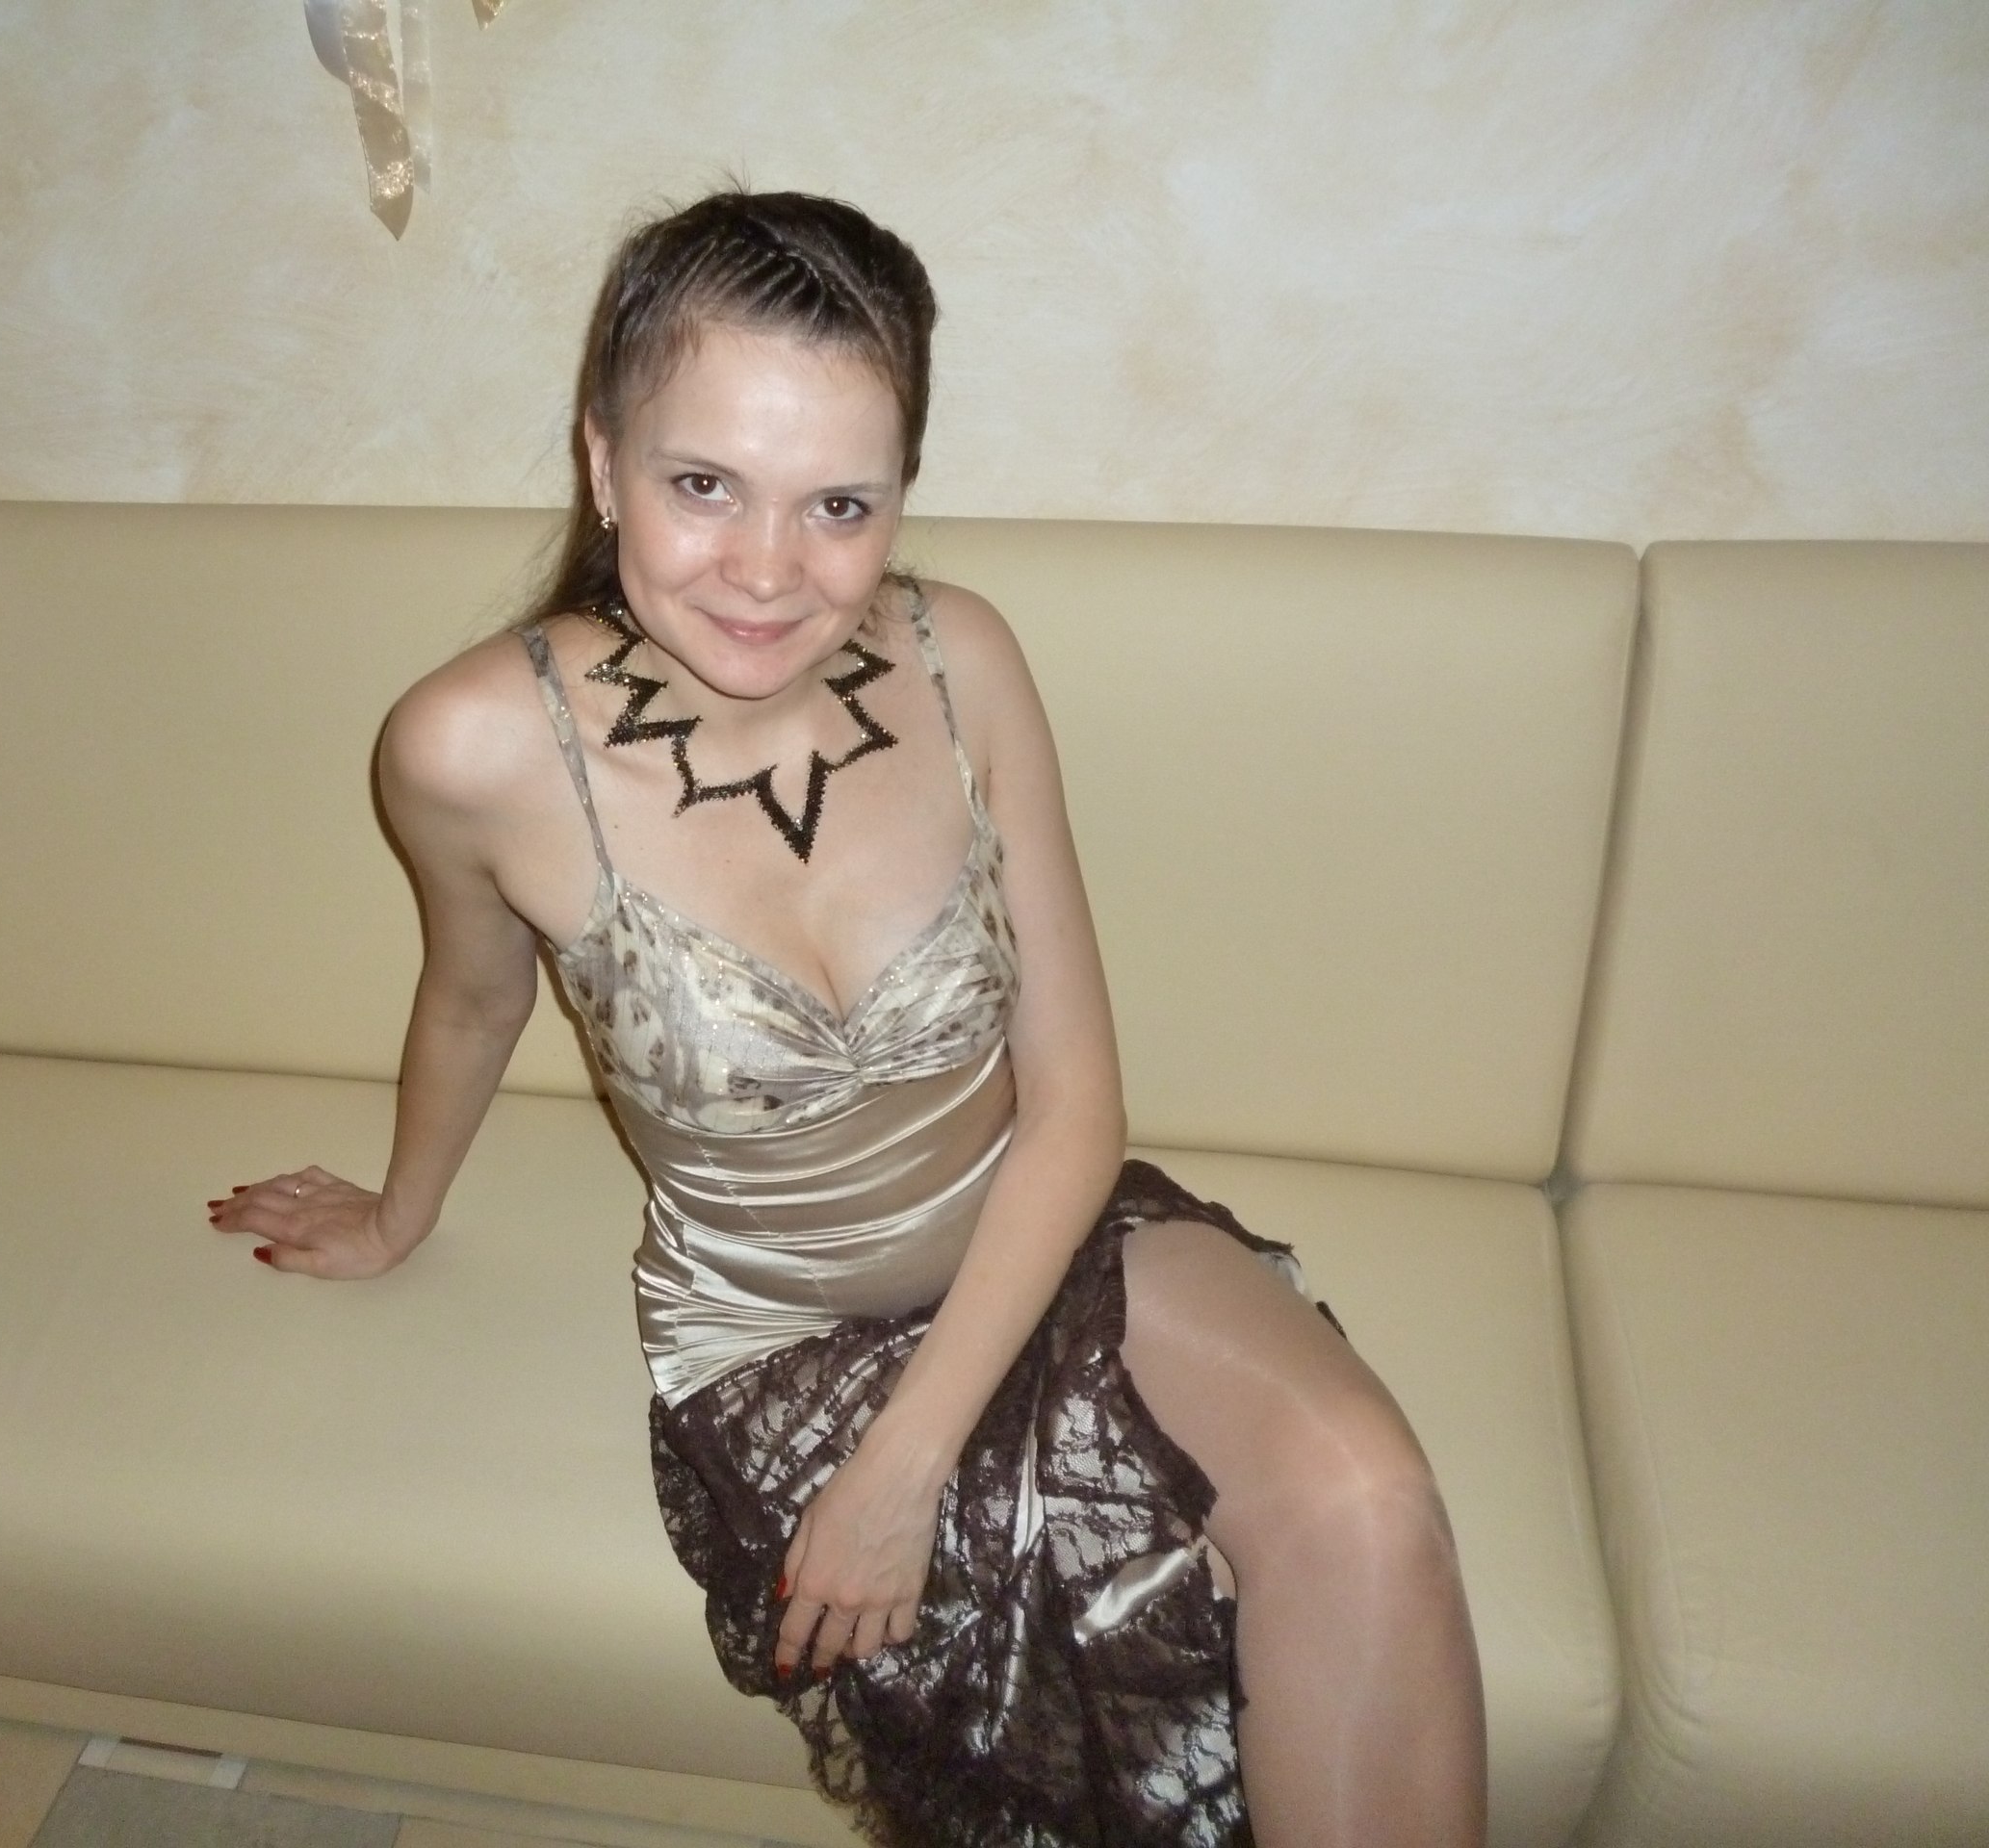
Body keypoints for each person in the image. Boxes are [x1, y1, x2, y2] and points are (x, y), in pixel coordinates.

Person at [208, 190, 1485, 1847]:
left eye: (838, 504)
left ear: (901, 496)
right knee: (1096, 1644)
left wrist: (905, 1470)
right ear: (602, 463)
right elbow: (470, 995)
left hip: (1043, 1237)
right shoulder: (469, 747)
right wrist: (398, 1213)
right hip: (783, 1334)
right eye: (702, 484)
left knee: (1373, 1498)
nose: (767, 569)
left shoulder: (967, 660)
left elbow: (1078, 1100)